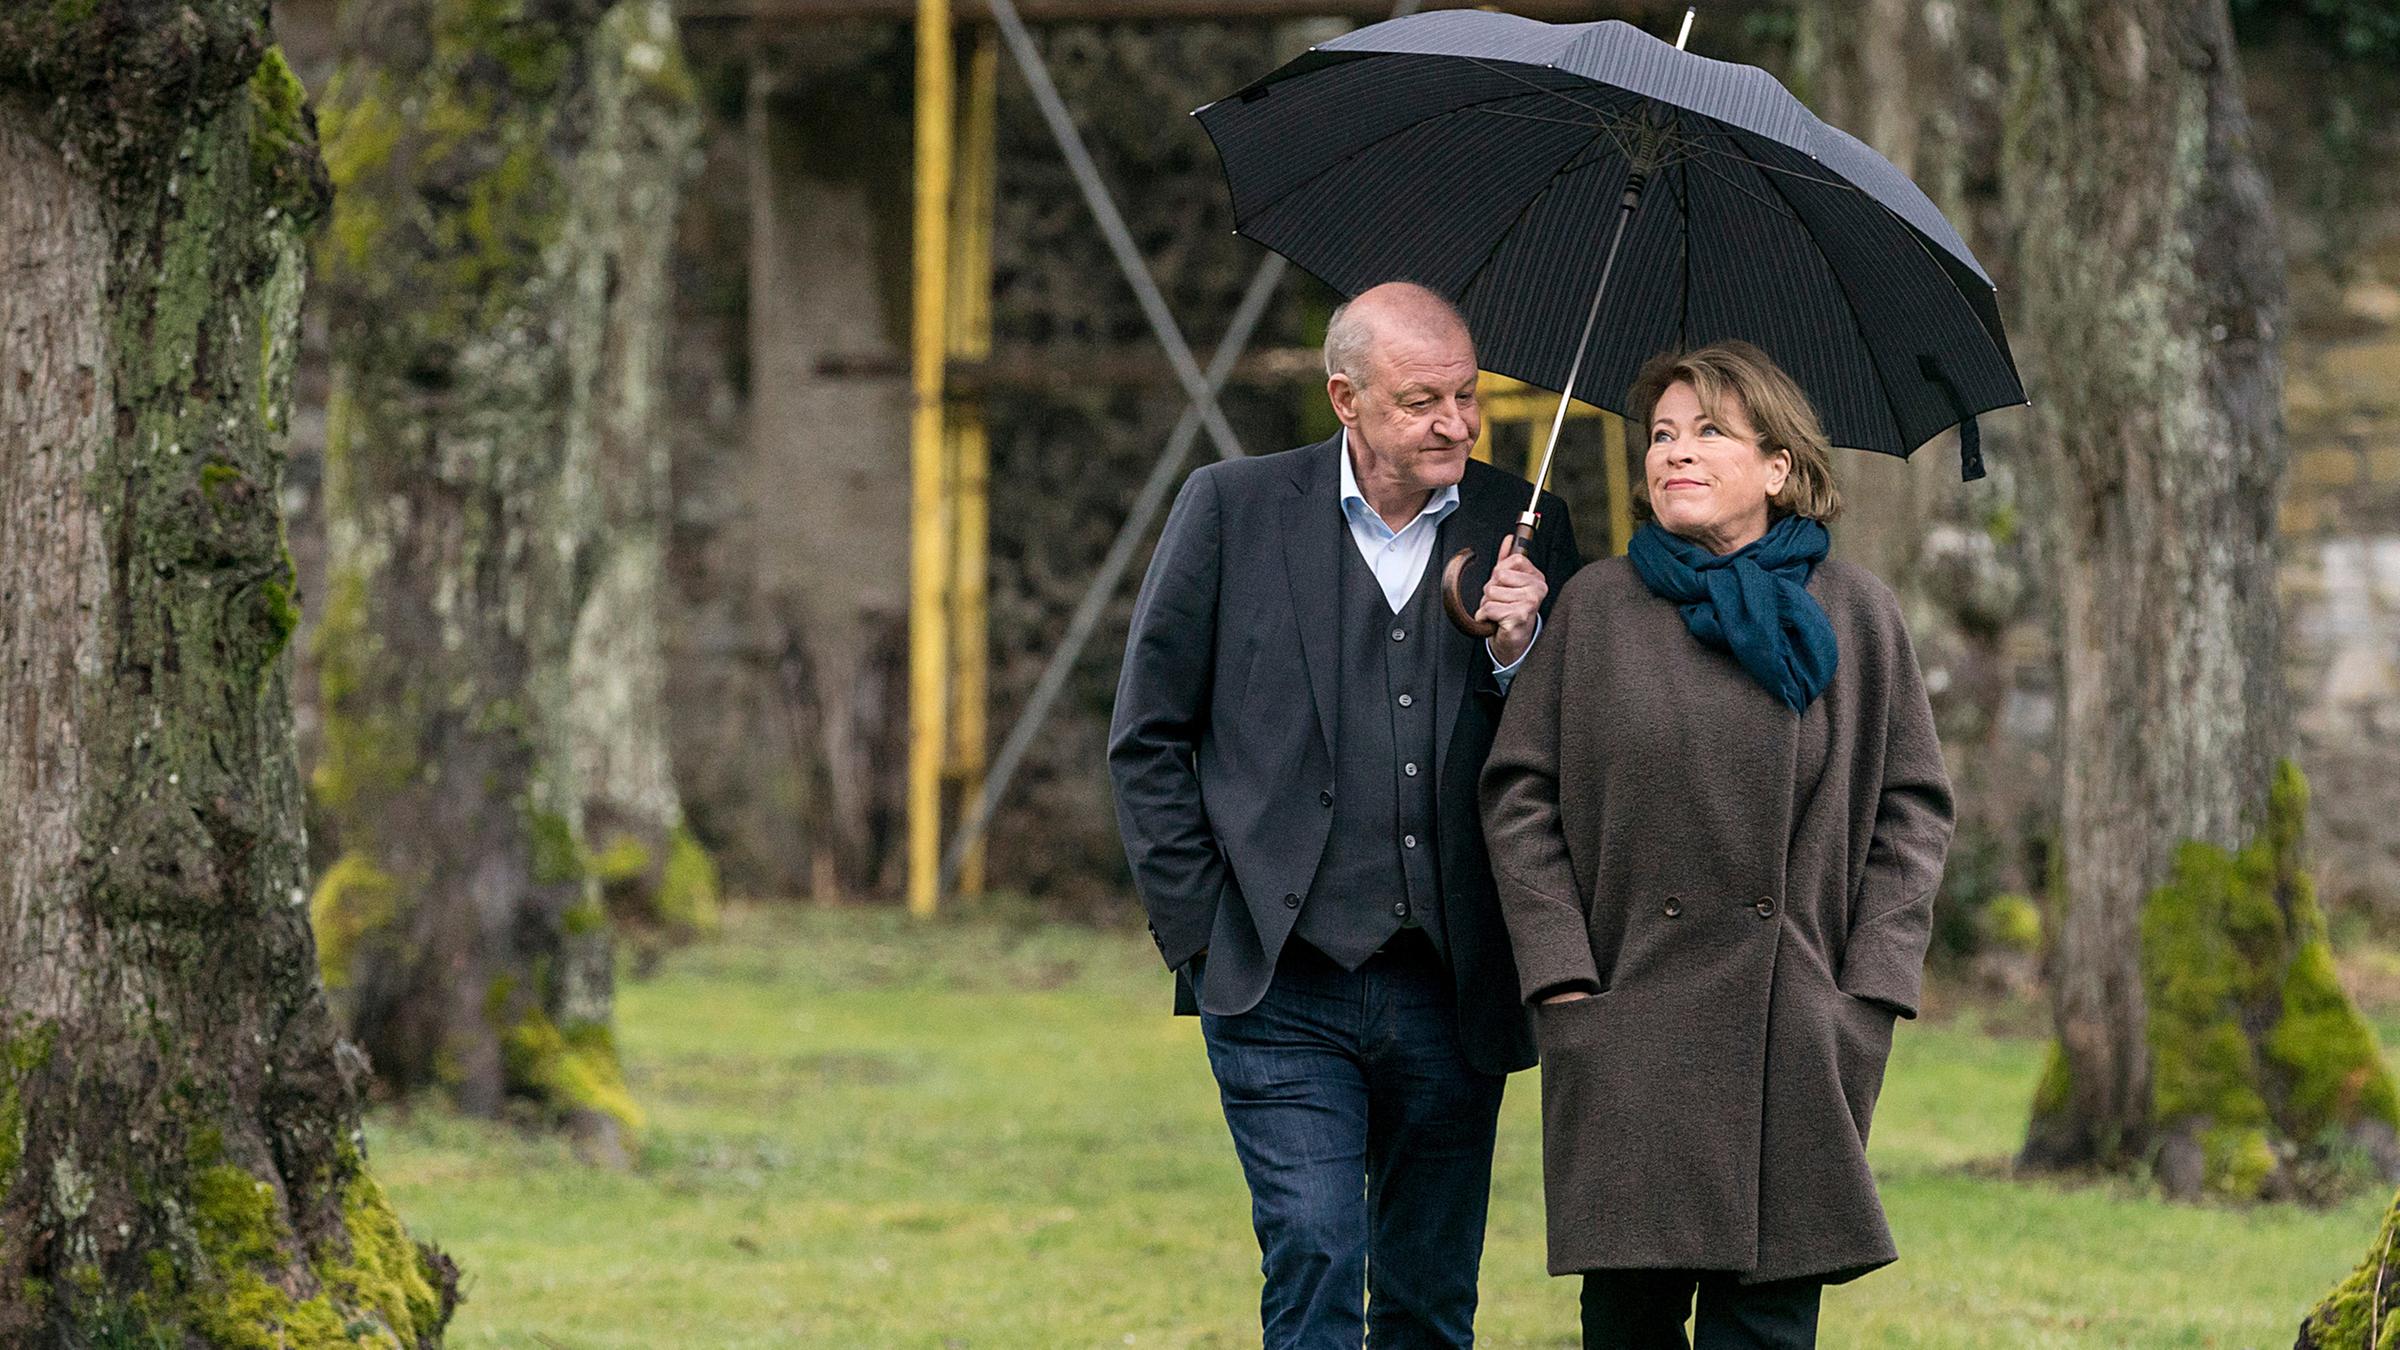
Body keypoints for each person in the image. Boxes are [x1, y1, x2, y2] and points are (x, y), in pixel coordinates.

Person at [1108, 280, 1580, 1348]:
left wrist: (1520, 651)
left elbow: (1571, 749)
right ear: (1345, 400)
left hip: (1454, 982)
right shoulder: (1230, 509)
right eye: (1422, 401)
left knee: (1428, 1296)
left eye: (1468, 397)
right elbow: (1147, 737)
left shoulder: (1531, 524)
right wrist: (1200, 931)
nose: (1455, 422)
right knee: (1317, 1254)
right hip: (1280, 979)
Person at [1479, 340, 1955, 1350]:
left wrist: (1865, 993)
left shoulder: (1857, 616)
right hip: (1625, 1029)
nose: (1674, 453)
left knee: (1766, 1332)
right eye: (1660, 435)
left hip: (1794, 1034)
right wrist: (1563, 978)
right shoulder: (1597, 608)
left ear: (1778, 468)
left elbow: (1913, 814)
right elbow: (1519, 797)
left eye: (1708, 433)